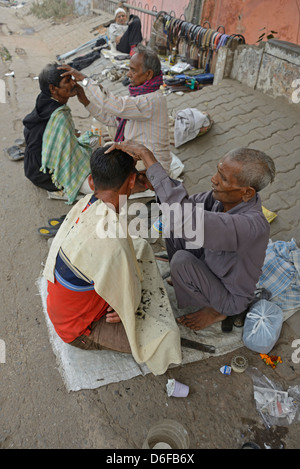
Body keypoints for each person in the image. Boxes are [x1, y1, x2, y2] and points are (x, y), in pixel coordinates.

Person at [106, 140, 275, 332]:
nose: (214, 179)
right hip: (209, 265)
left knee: (181, 260)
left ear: (247, 193)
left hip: (230, 296)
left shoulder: (251, 226)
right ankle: (186, 281)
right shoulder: (223, 198)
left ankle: (218, 310)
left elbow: (185, 218)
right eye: (217, 172)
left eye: (224, 178)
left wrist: (147, 157)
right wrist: (157, 185)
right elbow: (184, 208)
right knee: (173, 224)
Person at [42, 146, 181, 375]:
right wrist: (124, 306)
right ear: (133, 180)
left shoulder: (86, 203)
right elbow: (129, 295)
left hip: (65, 308)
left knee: (140, 247)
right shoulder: (111, 242)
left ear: (91, 181)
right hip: (78, 330)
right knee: (164, 337)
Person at [59, 44, 183, 188]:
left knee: (106, 167)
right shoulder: (141, 94)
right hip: (140, 152)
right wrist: (85, 100)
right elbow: (112, 119)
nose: (128, 74)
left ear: (148, 74)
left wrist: (86, 80)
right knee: (106, 149)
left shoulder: (151, 100)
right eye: (129, 69)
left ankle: (142, 185)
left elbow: (115, 105)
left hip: (153, 164)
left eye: (133, 70)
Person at [23, 63, 95, 204]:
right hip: (44, 174)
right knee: (101, 185)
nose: (74, 83)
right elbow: (69, 158)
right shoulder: (59, 117)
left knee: (92, 141)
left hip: (31, 166)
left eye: (72, 78)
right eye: (67, 81)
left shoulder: (45, 99)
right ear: (53, 88)